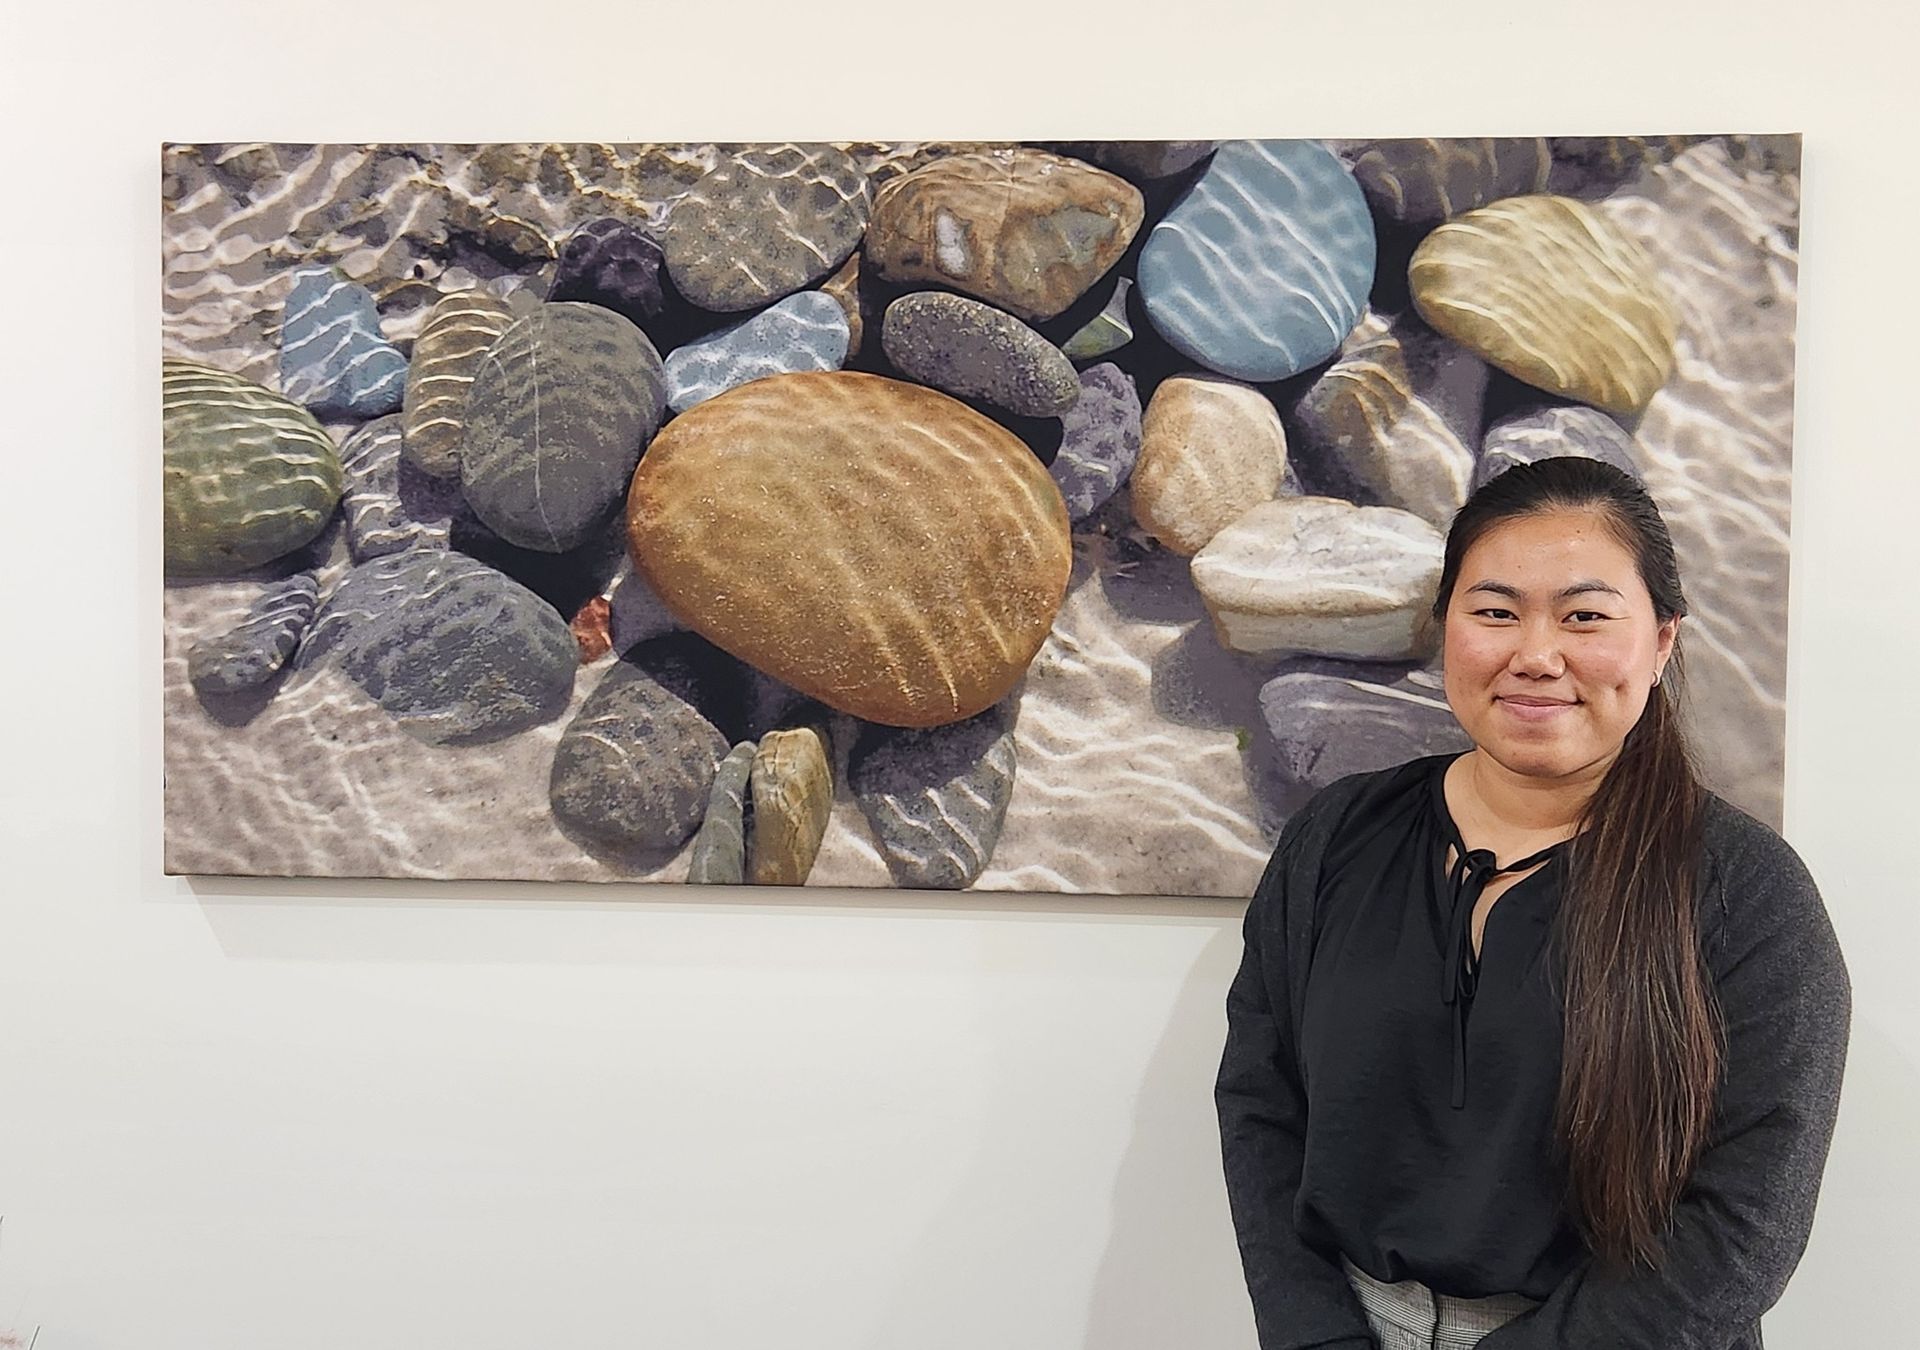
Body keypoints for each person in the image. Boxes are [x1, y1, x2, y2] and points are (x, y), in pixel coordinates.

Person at [1215, 456, 1851, 1350]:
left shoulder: (1747, 892)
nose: (1536, 655)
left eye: (1585, 616)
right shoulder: (1336, 837)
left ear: (1662, 640)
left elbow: (1745, 1224)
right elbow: (1260, 1105)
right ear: (1446, 628)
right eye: (1495, 612)